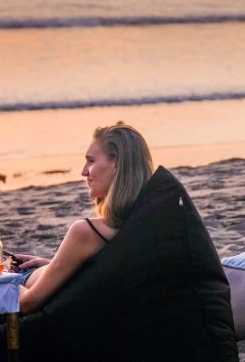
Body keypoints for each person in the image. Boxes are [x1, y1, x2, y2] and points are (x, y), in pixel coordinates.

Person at [14, 122, 153, 314]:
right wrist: (54, 265)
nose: (84, 171)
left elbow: (27, 303)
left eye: (91, 161)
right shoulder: (148, 222)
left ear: (116, 163)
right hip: (47, 277)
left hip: (23, 284)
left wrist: (1, 281)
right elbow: (102, 274)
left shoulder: (87, 231)